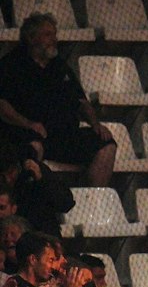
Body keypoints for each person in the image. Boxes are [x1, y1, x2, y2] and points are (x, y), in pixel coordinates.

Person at [0, 14, 116, 187]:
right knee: (32, 147)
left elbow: (81, 101)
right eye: (48, 34)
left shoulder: (60, 66)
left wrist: (95, 124)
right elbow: (2, 105)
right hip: (29, 134)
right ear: (31, 38)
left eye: (54, 34)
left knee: (106, 144)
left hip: (63, 136)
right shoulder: (11, 65)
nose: (54, 39)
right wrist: (28, 124)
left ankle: (92, 196)